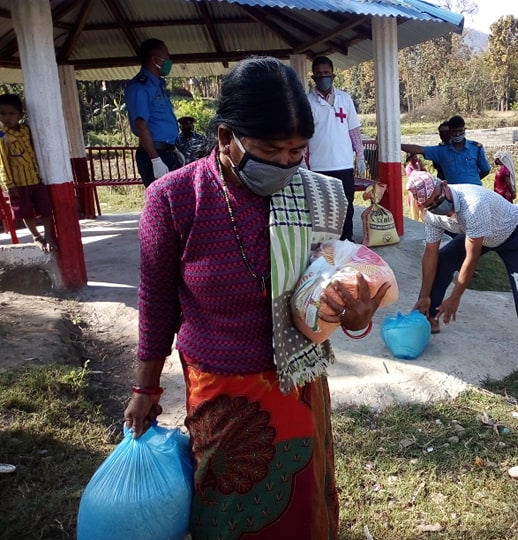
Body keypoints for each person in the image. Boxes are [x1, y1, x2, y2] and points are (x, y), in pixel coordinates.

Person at [123, 56, 392, 539]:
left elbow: (328, 284)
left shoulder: (319, 196)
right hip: (223, 393)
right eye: (272, 150)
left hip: (298, 380)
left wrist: (353, 312)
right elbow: (157, 303)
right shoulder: (174, 199)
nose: (287, 164)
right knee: (230, 507)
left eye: (297, 152)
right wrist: (145, 389)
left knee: (299, 505)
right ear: (226, 137)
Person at [405, 172, 518, 389]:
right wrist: (424, 296)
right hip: (480, 234)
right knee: (442, 260)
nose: (436, 207)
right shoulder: (433, 215)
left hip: (513, 234)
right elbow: (430, 253)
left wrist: (455, 297)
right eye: (430, 205)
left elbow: (472, 257)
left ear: (444, 185)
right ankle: (430, 316)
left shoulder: (473, 204)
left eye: (438, 200)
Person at [305, 55, 366, 241]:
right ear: (313, 77)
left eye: (326, 73)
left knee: (346, 206)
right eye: (319, 74)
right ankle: (325, 245)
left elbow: (354, 130)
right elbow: (304, 136)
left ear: (333, 75)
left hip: (344, 164)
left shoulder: (345, 99)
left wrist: (361, 156)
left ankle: (346, 241)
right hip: (319, 167)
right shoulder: (307, 102)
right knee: (322, 209)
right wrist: (301, 162)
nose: (323, 76)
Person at [0, 94, 56, 253]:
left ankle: (49, 235)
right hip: (18, 183)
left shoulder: (26, 131)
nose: (6, 117)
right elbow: (2, 162)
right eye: (2, 113)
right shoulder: (2, 136)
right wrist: (9, 185)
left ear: (20, 115)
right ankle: (36, 236)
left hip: (35, 178)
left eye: (11, 113)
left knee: (46, 208)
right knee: (25, 211)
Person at [124, 38, 183, 187]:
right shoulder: (140, 87)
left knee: (177, 203)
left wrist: (175, 151)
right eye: (167, 56)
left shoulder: (158, 86)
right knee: (163, 205)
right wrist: (156, 160)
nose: (169, 60)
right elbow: (141, 125)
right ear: (155, 59)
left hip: (168, 152)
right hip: (156, 154)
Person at [401, 115, 490, 186]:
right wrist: (397, 146)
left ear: (464, 129)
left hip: (475, 190)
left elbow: (486, 170)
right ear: (450, 132)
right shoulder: (441, 151)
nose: (458, 134)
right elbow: (420, 149)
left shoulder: (476, 148)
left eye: (460, 130)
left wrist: (471, 180)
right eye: (454, 131)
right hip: (454, 194)